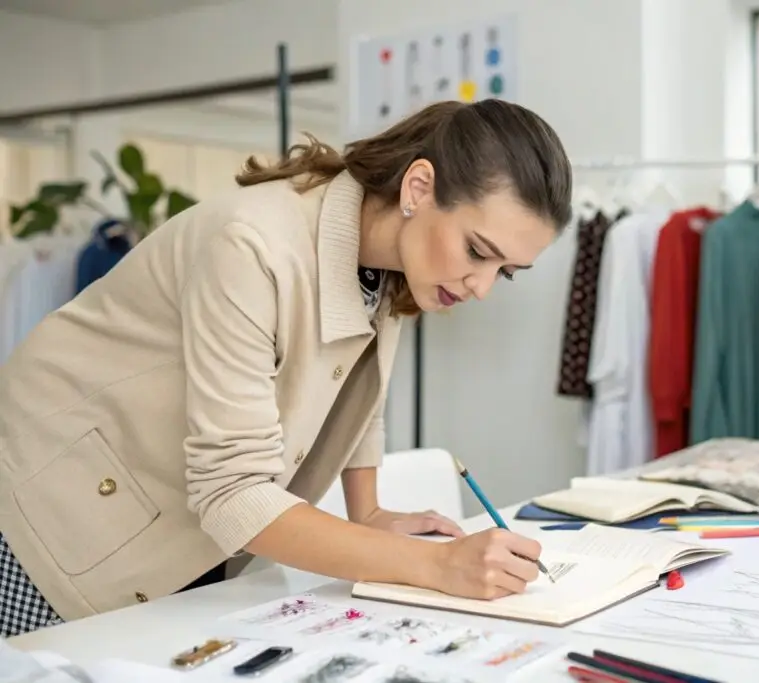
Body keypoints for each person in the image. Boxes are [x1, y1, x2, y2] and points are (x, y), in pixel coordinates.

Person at [0, 99, 573, 638]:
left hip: (172, 524)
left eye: (506, 271)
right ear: (418, 187)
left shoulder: (388, 258)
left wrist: (369, 511)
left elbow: (354, 392)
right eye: (478, 252)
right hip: (47, 514)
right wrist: (437, 565)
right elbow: (233, 494)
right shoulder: (252, 245)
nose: (482, 287)